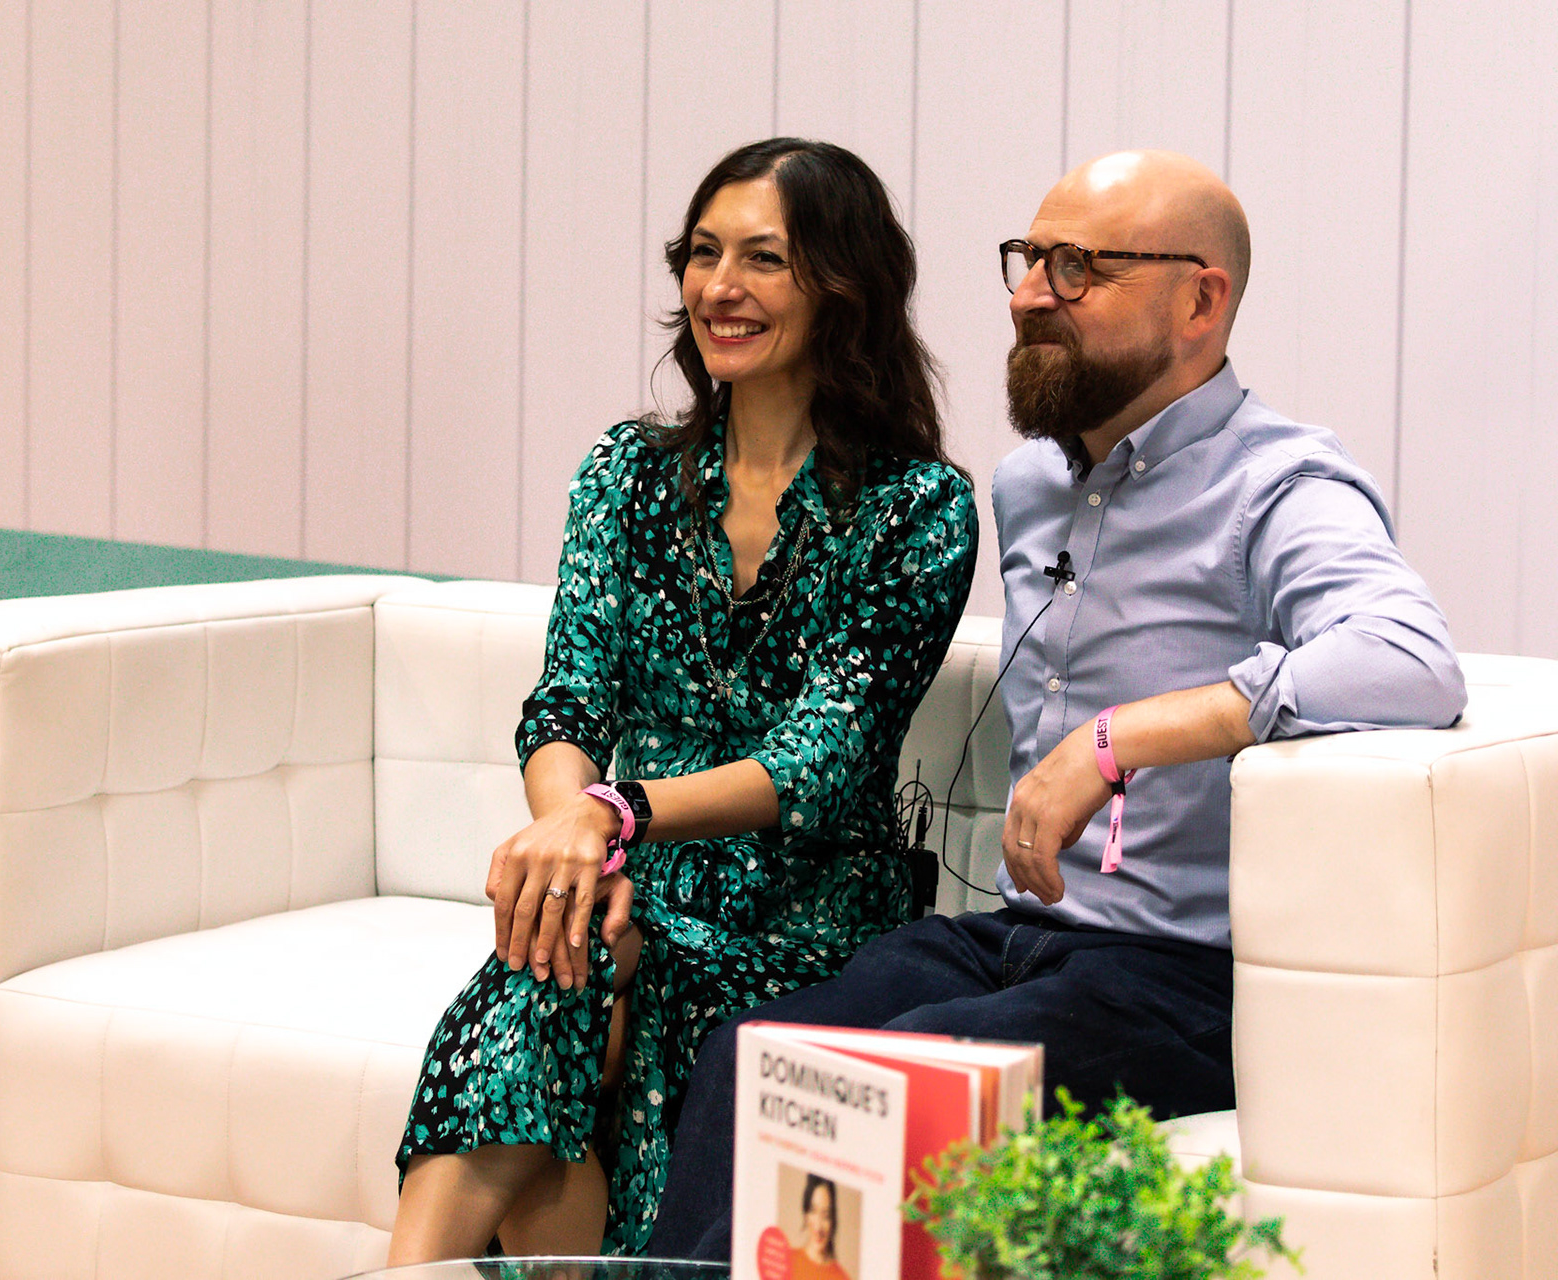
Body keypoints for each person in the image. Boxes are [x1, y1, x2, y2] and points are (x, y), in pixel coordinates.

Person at [648, 149, 1467, 1260]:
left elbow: (1409, 656)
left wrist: (1124, 736)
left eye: (1078, 267)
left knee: (893, 1078)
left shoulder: (1277, 484)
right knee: (751, 1048)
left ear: (1199, 299)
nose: (1031, 293)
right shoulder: (1032, 484)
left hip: (1183, 975)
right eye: (1029, 259)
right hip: (1024, 938)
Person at [388, 138, 978, 1261]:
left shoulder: (920, 509)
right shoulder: (626, 472)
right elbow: (564, 704)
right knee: (549, 972)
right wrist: (583, 847)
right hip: (627, 887)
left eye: (764, 258)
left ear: (843, 288)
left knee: (592, 1003)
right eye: (703, 253)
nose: (720, 286)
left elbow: (822, 758)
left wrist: (614, 816)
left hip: (807, 921)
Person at [788, 1174, 850, 1280]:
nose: (818, 1226)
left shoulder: (841, 1277)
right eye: (813, 1211)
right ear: (806, 1214)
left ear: (833, 1220)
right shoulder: (787, 1261)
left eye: (826, 1216)